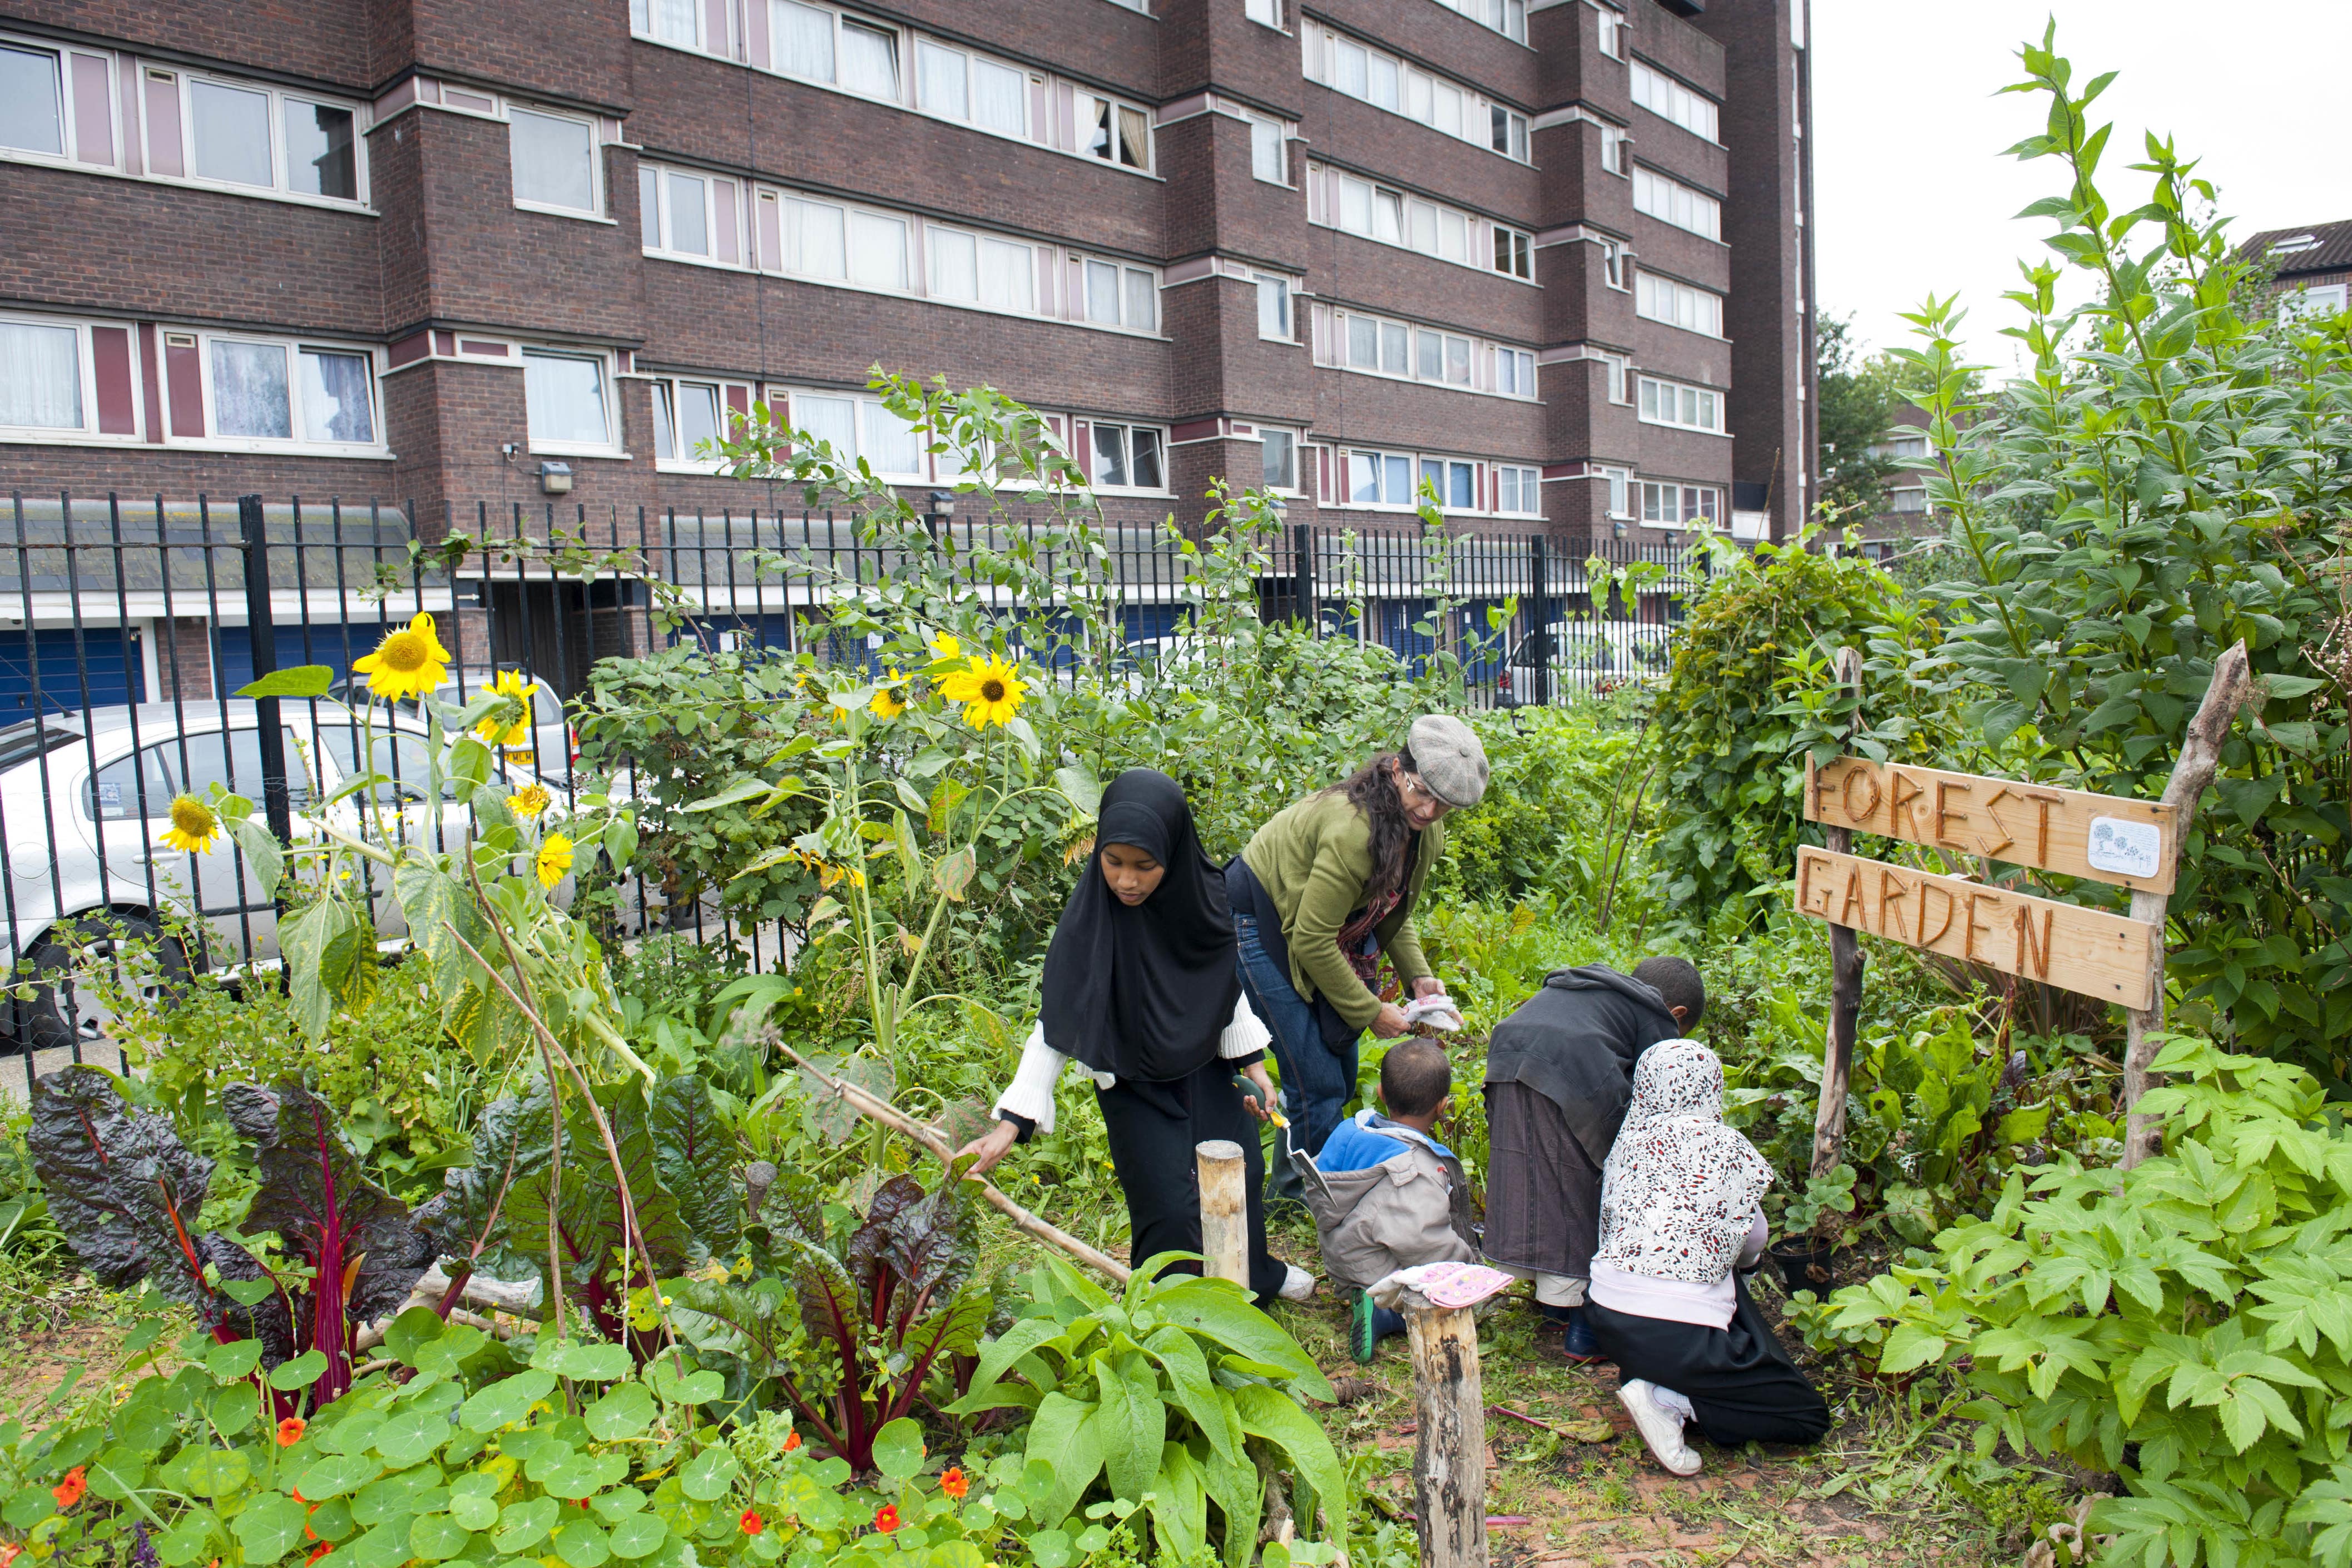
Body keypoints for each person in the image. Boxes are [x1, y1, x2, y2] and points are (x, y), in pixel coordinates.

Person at [954, 769, 1312, 1305]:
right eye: (1113, 862)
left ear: (1172, 853)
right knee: (1167, 1205)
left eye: (1145, 866)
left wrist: (1254, 1063)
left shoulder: (1201, 896)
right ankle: (1169, 1315)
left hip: (1206, 1068)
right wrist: (1012, 1122)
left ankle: (1253, 1277)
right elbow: (1059, 1020)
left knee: (1238, 1172)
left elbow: (1219, 981)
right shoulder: (1091, 923)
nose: (1126, 881)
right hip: (1134, 1081)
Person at [1227, 716, 1488, 1200]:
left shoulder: (1423, 832)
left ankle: (1302, 1174)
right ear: (1395, 769)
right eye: (1420, 791)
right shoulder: (1353, 830)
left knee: (1341, 1070)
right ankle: (1306, 1198)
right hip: (1257, 917)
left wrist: (1419, 978)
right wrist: (1371, 1011)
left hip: (1313, 925)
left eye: (1444, 805)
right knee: (1319, 1080)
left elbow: (1391, 910)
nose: (1429, 810)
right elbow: (1309, 939)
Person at [1586, 1039, 1832, 1475]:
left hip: (1608, 1315)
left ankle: (1650, 1379)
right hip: (1680, 1334)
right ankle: (1667, 1399)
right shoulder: (1727, 1149)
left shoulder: (1628, 1142)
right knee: (1806, 1417)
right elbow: (1753, 1238)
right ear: (1712, 1087)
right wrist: (1743, 1271)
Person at [1480, 956, 1705, 1360]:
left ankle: (1553, 1307)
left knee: (1526, 1173)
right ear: (1677, 1014)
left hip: (1506, 1058)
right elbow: (1653, 1098)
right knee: (1589, 1186)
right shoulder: (1655, 1017)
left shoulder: (1590, 990)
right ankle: (1585, 1326)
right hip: (1572, 1070)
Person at [1296, 1037, 1475, 1364]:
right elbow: (1423, 1242)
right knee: (1441, 1292)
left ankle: (1362, 1294)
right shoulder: (1413, 1171)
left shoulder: (1350, 1133)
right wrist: (1466, 1269)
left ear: (1380, 1092)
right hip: (1380, 1277)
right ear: (1443, 1105)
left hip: (1344, 1259)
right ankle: (1386, 1314)